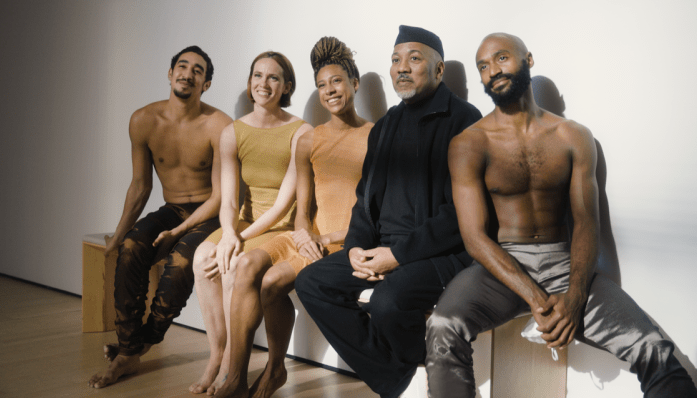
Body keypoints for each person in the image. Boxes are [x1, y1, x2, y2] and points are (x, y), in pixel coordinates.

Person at [424, 33, 697, 397]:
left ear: (528, 59)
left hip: (564, 262)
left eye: (501, 58)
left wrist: (573, 297)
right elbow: (474, 237)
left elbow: (587, 221)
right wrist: (538, 299)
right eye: (483, 66)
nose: (492, 71)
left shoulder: (573, 136)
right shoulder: (469, 144)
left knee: (654, 349)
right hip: (501, 266)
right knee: (442, 325)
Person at [295, 25, 482, 398]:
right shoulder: (385, 127)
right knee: (312, 283)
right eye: (396, 60)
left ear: (439, 70)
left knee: (388, 303)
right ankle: (403, 377)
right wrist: (355, 246)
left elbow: (460, 215)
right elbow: (365, 198)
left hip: (439, 253)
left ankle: (405, 377)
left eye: (414, 59)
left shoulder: (464, 120)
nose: (402, 68)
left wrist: (396, 256)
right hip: (382, 246)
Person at [209, 36, 373, 398]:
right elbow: (302, 210)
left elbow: (379, 211)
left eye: (337, 82)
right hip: (307, 237)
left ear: (355, 84)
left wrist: (327, 239)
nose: (329, 90)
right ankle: (234, 376)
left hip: (345, 241)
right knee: (248, 264)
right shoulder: (308, 140)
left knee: (270, 284)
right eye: (322, 85)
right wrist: (304, 233)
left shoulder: (376, 137)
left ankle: (275, 368)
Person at [89, 46, 232, 388]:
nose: (188, 73)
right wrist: (118, 235)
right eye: (182, 66)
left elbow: (222, 195)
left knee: (182, 261)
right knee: (131, 249)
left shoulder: (219, 124)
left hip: (209, 213)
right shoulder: (143, 120)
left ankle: (141, 343)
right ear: (170, 75)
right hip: (172, 209)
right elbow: (140, 186)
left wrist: (181, 231)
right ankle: (127, 351)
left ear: (206, 84)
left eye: (197, 70)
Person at [190, 51, 312, 395]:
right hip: (243, 221)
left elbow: (282, 205)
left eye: (273, 78)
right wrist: (229, 232)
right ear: (248, 83)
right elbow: (229, 200)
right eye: (257, 76)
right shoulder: (232, 132)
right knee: (202, 258)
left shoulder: (301, 131)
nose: (264, 84)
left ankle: (232, 364)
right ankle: (216, 355)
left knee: (231, 266)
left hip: (279, 226)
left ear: (286, 86)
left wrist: (238, 239)